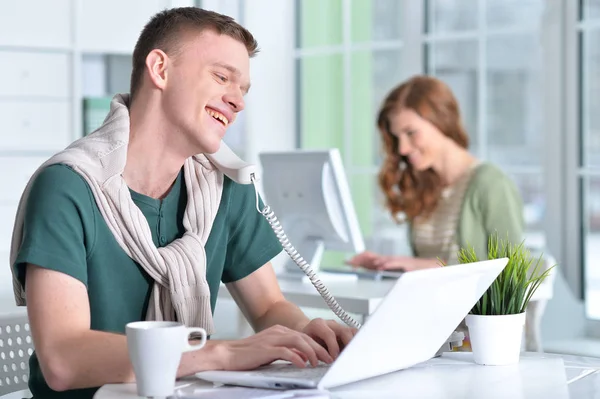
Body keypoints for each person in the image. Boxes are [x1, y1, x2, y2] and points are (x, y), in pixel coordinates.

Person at [9, 7, 356, 398]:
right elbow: (63, 359)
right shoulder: (68, 187)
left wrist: (307, 332)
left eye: (243, 90)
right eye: (222, 77)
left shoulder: (225, 188)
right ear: (160, 69)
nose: (238, 102)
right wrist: (222, 353)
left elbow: (268, 307)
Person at [347, 75, 524, 272]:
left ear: (442, 120)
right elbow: (426, 269)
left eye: (411, 133)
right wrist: (389, 265)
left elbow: (513, 274)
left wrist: (425, 266)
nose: (402, 149)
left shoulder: (491, 184)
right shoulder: (424, 184)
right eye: (397, 138)